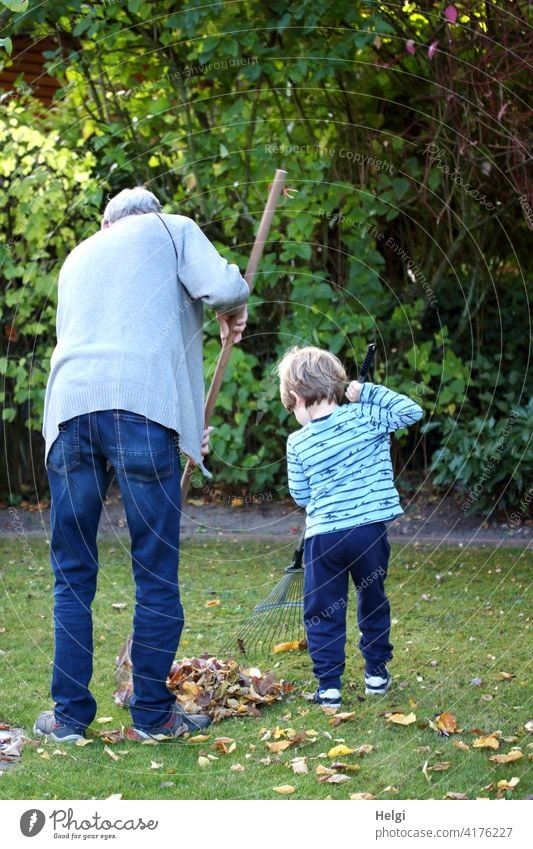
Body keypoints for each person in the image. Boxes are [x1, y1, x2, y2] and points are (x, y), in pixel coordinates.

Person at [34, 186, 249, 742]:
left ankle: (68, 719)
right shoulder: (170, 228)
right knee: (155, 571)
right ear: (146, 216)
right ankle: (152, 716)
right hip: (139, 412)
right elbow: (224, 284)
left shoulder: (79, 255)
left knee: (72, 576)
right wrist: (234, 307)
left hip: (68, 415)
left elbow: (112, 338)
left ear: (108, 225)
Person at [278, 346, 423, 708]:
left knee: (323, 606)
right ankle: (376, 672)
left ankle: (329, 686)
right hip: (368, 535)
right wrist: (368, 394)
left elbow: (300, 495)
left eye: (290, 407)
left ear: (296, 397)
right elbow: (412, 411)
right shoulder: (366, 417)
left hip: (324, 540)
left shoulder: (297, 442)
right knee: (372, 598)